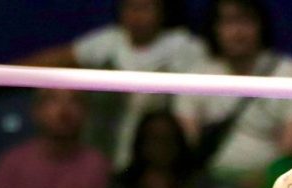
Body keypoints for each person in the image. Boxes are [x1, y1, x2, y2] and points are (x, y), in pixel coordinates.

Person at [18, 0, 208, 169]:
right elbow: (58, 58)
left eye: (145, 7)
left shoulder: (184, 46)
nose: (137, 15)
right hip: (104, 153)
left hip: (158, 162)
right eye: (130, 7)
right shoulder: (109, 42)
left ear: (163, 10)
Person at [173, 0, 292, 188]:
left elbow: (291, 144)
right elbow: (188, 143)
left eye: (245, 21)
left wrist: (268, 180)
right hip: (213, 184)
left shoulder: (287, 72)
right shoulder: (197, 74)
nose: (237, 31)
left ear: (261, 26)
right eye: (228, 22)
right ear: (214, 28)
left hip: (272, 184)